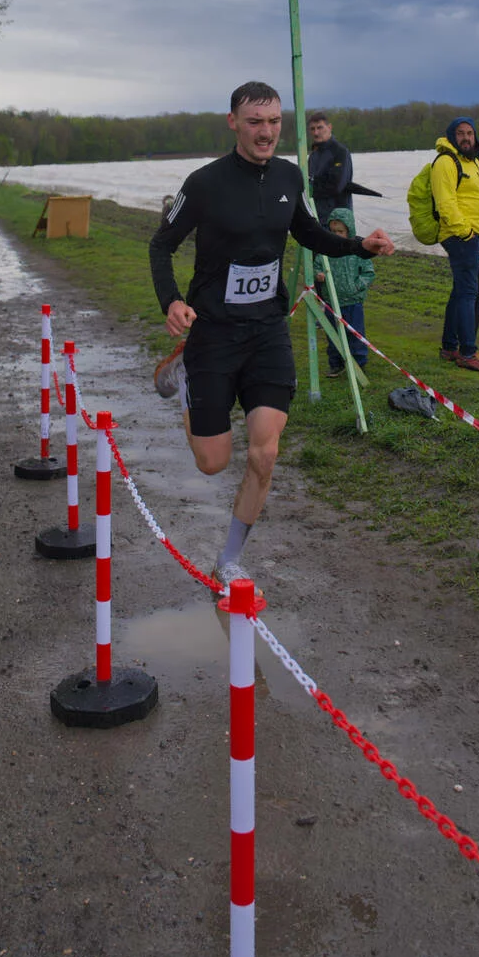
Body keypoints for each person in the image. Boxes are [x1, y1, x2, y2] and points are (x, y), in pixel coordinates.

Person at [149, 81, 394, 587]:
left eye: (275, 121)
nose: (267, 132)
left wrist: (360, 246)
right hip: (214, 332)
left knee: (265, 453)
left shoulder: (288, 175)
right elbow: (161, 245)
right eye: (255, 122)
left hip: (267, 330)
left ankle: (229, 560)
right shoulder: (204, 183)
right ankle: (187, 373)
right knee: (213, 462)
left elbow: (308, 232)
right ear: (233, 122)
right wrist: (172, 301)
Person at [432, 117, 479, 372]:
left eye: (470, 133)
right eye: (461, 133)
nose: (467, 138)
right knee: (468, 292)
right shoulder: (446, 162)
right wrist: (466, 232)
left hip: (473, 234)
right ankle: (468, 352)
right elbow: (445, 203)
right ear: (451, 136)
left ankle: (450, 346)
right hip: (460, 236)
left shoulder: (473, 161)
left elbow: (475, 199)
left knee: (461, 291)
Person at [314, 207, 375, 377]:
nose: (336, 235)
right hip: (331, 303)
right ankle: (336, 364)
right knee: (333, 335)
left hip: (353, 302)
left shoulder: (357, 252)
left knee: (355, 334)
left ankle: (359, 363)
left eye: (340, 231)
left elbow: (369, 273)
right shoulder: (325, 251)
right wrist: (318, 274)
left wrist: (356, 287)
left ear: (349, 230)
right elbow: (316, 266)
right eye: (333, 231)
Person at [307, 111, 353, 223]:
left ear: (329, 127)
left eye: (320, 128)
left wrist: (312, 188)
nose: (316, 132)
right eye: (312, 129)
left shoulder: (340, 152)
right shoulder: (313, 155)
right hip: (317, 215)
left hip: (338, 219)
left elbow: (336, 186)